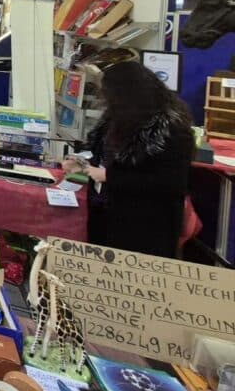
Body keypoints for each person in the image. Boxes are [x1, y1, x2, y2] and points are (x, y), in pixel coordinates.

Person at [63, 61, 194, 258]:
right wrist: (83, 164)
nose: (103, 98)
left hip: (145, 229)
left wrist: (110, 176)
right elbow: (105, 154)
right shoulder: (117, 117)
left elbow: (171, 184)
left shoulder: (170, 130)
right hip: (105, 215)